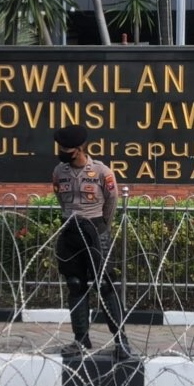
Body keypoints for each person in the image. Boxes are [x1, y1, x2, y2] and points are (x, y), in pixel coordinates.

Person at [52, 124, 136, 360]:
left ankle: (121, 340)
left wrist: (101, 228)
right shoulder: (60, 171)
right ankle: (81, 339)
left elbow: (111, 202)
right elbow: (60, 197)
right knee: (75, 283)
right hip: (70, 231)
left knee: (105, 285)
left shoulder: (101, 172)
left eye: (66, 148)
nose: (62, 151)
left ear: (79, 148)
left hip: (95, 231)